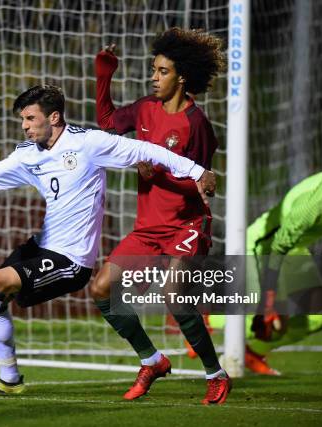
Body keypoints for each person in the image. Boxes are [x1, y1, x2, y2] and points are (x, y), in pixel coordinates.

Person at [0, 84, 216, 394]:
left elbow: (146, 149)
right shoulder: (28, 155)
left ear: (53, 117)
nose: (25, 126)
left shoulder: (89, 144)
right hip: (42, 246)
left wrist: (195, 169)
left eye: (30, 118)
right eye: (22, 120)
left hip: (71, 260)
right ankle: (9, 379)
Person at [90, 27, 230, 405]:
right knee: (101, 288)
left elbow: (203, 184)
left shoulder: (195, 123)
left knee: (173, 292)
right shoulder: (145, 109)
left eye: (162, 71)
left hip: (187, 224)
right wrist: (105, 72)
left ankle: (215, 374)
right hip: (148, 228)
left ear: (181, 77)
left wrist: (159, 171)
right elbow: (107, 123)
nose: (153, 77)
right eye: (153, 70)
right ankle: (152, 360)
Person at [234, 136, 322, 375]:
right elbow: (279, 246)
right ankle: (205, 317)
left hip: (294, 249)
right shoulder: (316, 203)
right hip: (263, 247)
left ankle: (254, 352)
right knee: (259, 317)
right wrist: (269, 299)